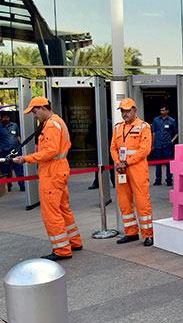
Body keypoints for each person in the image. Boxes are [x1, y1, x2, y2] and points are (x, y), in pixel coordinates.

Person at [13, 97, 83, 261]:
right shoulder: (57, 122)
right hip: (59, 169)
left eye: (35, 111)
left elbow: (50, 151)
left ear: (43, 108)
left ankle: (61, 250)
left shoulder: (51, 125)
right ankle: (74, 241)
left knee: (51, 212)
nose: (35, 115)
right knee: (63, 208)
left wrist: (26, 158)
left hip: (52, 171)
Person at [110, 98, 154, 246]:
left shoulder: (143, 127)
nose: (125, 113)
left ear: (135, 110)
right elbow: (113, 148)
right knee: (124, 202)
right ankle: (131, 232)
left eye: (128, 110)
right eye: (123, 111)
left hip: (137, 169)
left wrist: (126, 162)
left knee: (142, 201)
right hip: (121, 169)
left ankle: (148, 234)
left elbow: (144, 150)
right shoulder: (117, 128)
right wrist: (118, 162)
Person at [151, 105, 177, 186]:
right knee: (158, 163)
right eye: (161, 110)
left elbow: (176, 132)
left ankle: (169, 180)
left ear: (167, 111)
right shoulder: (156, 120)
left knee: (168, 163)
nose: (162, 112)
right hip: (158, 144)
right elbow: (153, 133)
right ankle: (158, 180)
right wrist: (152, 144)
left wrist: (171, 141)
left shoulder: (172, 121)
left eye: (163, 110)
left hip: (167, 145)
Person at [0, 111, 25, 192]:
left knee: (19, 168)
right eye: (4, 117)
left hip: (16, 150)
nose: (5, 119)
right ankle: (8, 186)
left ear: (9, 118)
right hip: (4, 152)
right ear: (1, 118)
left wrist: (21, 145)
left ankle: (22, 185)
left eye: (7, 117)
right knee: (6, 170)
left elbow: (17, 135)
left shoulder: (14, 125)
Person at [88, 117, 115, 190]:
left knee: (109, 164)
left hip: (107, 146)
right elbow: (91, 135)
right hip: (101, 146)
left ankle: (100, 182)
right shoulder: (97, 123)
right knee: (100, 165)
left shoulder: (109, 123)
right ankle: (98, 182)